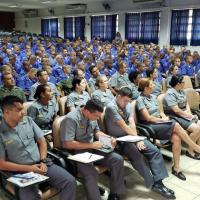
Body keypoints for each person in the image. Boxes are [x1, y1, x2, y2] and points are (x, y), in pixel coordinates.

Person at [104, 87, 176, 199]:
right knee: (137, 156)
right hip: (118, 140)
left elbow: (131, 122)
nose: (126, 103)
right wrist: (138, 139)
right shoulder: (110, 107)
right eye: (125, 101)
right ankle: (153, 183)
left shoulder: (128, 104)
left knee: (154, 151)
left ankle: (158, 182)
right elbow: (123, 126)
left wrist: (137, 139)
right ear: (118, 96)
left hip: (131, 136)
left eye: (128, 101)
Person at [0, 95, 76, 200]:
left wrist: (43, 160)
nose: (24, 112)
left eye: (23, 109)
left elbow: (42, 141)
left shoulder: (28, 121)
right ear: (7, 112)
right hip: (20, 172)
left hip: (41, 164)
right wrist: (30, 168)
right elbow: (2, 164)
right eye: (19, 110)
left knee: (69, 181)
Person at [60, 99, 125, 200]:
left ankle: (115, 193)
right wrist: (91, 145)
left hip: (93, 147)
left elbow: (97, 132)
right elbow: (67, 144)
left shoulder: (93, 116)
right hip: (78, 153)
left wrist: (109, 139)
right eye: (96, 116)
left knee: (117, 159)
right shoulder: (71, 119)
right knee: (91, 173)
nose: (98, 118)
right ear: (86, 111)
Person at [136, 78, 200, 180]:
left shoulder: (154, 97)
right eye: (152, 84)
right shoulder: (140, 100)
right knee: (176, 125)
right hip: (150, 125)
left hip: (160, 123)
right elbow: (148, 118)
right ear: (146, 88)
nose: (154, 85)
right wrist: (162, 120)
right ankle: (195, 147)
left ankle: (176, 168)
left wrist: (164, 117)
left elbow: (160, 111)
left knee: (176, 138)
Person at [163, 75, 200, 159]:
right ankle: (190, 151)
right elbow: (176, 110)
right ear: (178, 83)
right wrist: (189, 116)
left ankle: (197, 148)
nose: (184, 83)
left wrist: (189, 113)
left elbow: (186, 104)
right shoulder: (170, 93)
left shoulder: (181, 91)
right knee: (196, 128)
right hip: (175, 116)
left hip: (184, 115)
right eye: (183, 82)